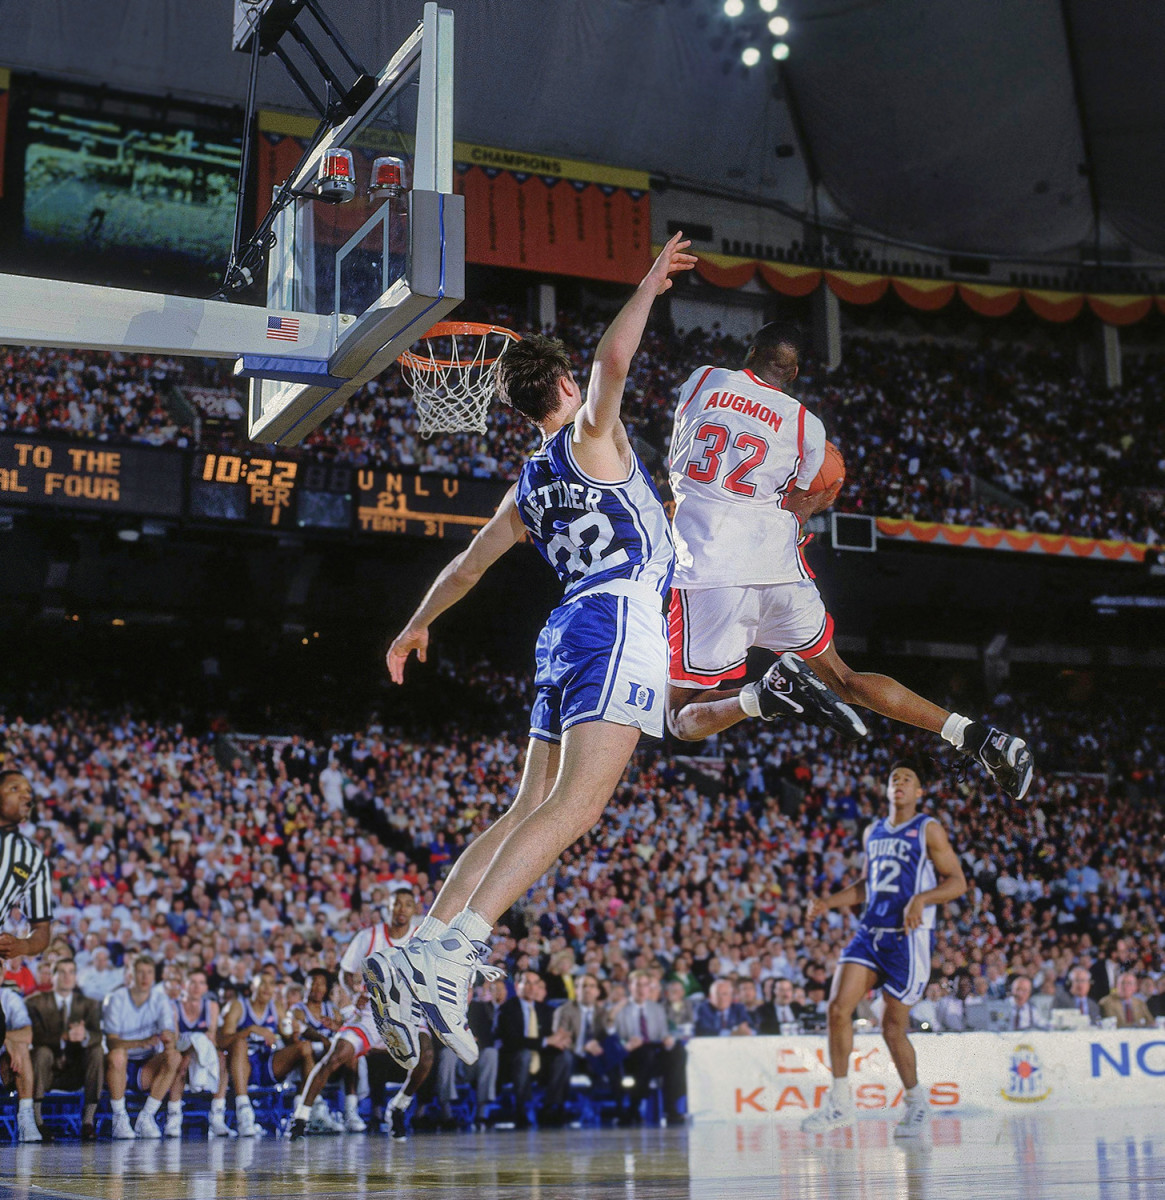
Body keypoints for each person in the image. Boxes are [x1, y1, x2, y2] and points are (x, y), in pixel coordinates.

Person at [365, 235, 696, 1065]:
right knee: (579, 805)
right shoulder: (589, 435)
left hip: (564, 632)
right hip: (617, 618)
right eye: (577, 383)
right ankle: (454, 951)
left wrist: (414, 622)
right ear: (560, 386)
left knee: (527, 807)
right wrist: (648, 283)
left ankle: (421, 945)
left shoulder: (527, 481)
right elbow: (615, 361)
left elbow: (467, 566)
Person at [663, 325, 1034, 803]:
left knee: (680, 718)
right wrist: (820, 498)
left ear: (750, 352)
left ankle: (762, 696)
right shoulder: (806, 425)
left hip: (710, 569)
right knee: (843, 679)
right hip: (779, 568)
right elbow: (797, 505)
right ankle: (981, 738)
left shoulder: (704, 379)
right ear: (794, 373)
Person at [801, 757, 967, 1138]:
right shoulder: (873, 832)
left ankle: (916, 1102)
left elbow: (957, 882)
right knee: (838, 1008)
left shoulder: (929, 829)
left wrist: (922, 899)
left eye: (908, 778)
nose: (900, 782)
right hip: (870, 931)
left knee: (893, 1028)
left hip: (908, 939)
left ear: (919, 792)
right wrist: (828, 903)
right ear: (887, 789)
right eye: (895, 778)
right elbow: (867, 884)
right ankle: (841, 1102)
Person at [289, 985, 422, 1141]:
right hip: (370, 1014)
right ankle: (301, 1118)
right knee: (335, 1057)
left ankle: (398, 1107)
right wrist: (353, 994)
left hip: (407, 1012)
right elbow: (348, 973)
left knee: (425, 1056)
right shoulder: (365, 962)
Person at [217, 965, 315, 1136]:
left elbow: (288, 1038)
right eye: (263, 983)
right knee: (240, 1043)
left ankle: (302, 1112)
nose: (267, 988)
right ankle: (244, 1111)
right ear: (252, 987)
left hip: (268, 1064)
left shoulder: (276, 1007)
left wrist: (294, 1032)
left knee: (305, 1048)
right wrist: (250, 1030)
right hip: (242, 1067)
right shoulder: (238, 1006)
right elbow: (222, 1041)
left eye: (271, 984)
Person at [102, 954, 182, 1140]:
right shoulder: (116, 998)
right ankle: (119, 1118)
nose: (145, 977)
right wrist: (140, 1042)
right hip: (118, 1065)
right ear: (131, 975)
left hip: (147, 1064)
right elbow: (111, 1041)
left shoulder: (160, 999)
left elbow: (169, 1036)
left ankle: (146, 1116)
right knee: (118, 1055)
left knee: (174, 1056)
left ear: (154, 976)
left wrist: (168, 1036)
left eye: (149, 973)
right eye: (140, 973)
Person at [27, 957, 104, 1140]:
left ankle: (88, 1121)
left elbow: (98, 1035)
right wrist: (64, 1036)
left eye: (71, 972)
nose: (67, 976)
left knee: (97, 1050)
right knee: (41, 1052)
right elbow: (34, 1036)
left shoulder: (89, 1004)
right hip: (45, 1069)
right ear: (52, 977)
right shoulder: (34, 1003)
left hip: (76, 1070)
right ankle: (37, 1120)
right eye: (61, 972)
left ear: (76, 977)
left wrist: (84, 1035)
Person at [0, 772, 54, 992]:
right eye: (15, 789)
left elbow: (42, 929)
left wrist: (22, 945)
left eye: (29, 792)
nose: (26, 797)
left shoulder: (33, 857)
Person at [497, 970, 568, 1129]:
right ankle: (520, 1110)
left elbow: (554, 1037)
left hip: (541, 1061)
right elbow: (512, 1041)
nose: (531, 987)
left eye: (535, 983)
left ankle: (550, 1108)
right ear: (517, 986)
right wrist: (545, 1041)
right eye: (527, 982)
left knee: (563, 1057)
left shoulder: (546, 1010)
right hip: (513, 1062)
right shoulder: (507, 1009)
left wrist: (560, 1040)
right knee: (524, 1055)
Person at [613, 969, 684, 1125]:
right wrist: (627, 1043)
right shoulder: (621, 1009)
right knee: (646, 1054)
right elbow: (616, 1037)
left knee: (677, 1052)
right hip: (631, 1055)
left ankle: (671, 1107)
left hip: (653, 1051)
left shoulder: (656, 1009)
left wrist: (668, 1039)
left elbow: (663, 1033)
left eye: (645, 985)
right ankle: (634, 1107)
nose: (642, 989)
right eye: (638, 985)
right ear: (630, 986)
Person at [436, 978, 503, 1130]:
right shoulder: (441, 1010)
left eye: (468, 991)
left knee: (491, 1054)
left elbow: (487, 1039)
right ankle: (447, 1113)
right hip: (452, 1062)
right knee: (447, 1053)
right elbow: (438, 1040)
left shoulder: (480, 1009)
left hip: (472, 1061)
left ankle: (482, 1113)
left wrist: (469, 1041)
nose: (464, 994)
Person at [170, 966, 223, 1137]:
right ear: (184, 985)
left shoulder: (212, 1006)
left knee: (222, 1058)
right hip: (182, 1052)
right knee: (179, 1059)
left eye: (201, 983)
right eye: (192, 982)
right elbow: (175, 1040)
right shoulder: (174, 1007)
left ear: (206, 988)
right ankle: (174, 1116)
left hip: (203, 1054)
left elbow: (212, 1036)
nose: (196, 987)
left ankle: (217, 1115)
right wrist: (189, 1052)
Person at [1, 984, 38, 1141]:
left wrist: (8, 1041)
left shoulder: (8, 997)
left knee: (21, 1047)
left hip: (5, 1068)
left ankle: (25, 1115)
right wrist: (7, 1041)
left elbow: (27, 1034)